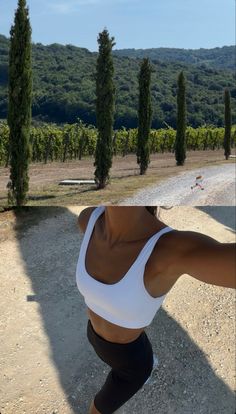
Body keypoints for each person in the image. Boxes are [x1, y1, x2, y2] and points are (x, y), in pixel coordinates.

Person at [76, 206, 235, 414]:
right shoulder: (88, 218)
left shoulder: (171, 251)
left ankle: (150, 365)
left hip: (132, 367)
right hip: (95, 338)